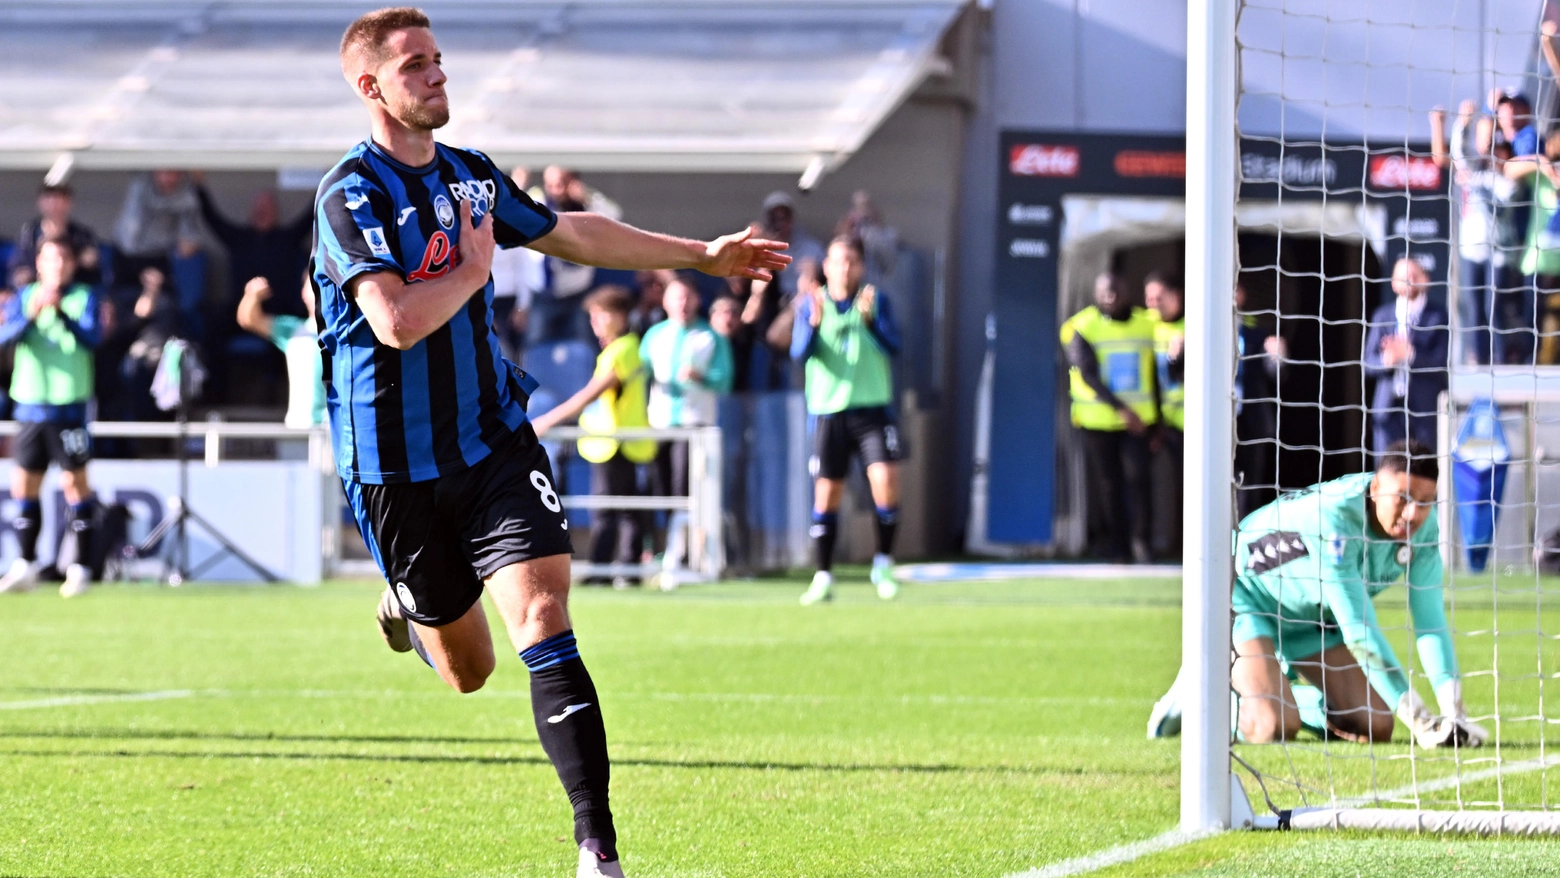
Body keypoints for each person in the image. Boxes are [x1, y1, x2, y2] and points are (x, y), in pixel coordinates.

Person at [317, 12, 787, 876]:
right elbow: (394, 321)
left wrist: (699, 258)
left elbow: (575, 232)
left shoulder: (471, 179)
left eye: (439, 60)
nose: (437, 76)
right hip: (392, 468)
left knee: (544, 618)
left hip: (493, 440)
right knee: (468, 672)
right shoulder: (350, 194)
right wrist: (470, 270)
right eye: (415, 65)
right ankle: (409, 610)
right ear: (371, 86)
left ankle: (596, 850)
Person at [1147, 442, 1488, 750]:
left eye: (1425, 502)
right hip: (1244, 598)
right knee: (1273, 726)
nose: (1413, 513)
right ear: (1375, 487)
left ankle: (1281, 691)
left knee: (1376, 724)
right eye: (1403, 498)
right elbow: (1359, 632)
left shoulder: (1425, 530)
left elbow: (1430, 622)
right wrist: (1420, 720)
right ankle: (1201, 698)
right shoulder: (1335, 520)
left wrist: (1453, 711)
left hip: (1311, 617)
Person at [791, 235, 903, 605]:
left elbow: (894, 346)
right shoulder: (813, 303)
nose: (845, 268)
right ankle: (823, 575)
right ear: (826, 266)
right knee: (828, 494)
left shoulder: (874, 300)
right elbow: (798, 353)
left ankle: (883, 564)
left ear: (861, 266)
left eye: (852, 261)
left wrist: (870, 323)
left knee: (885, 481)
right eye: (838, 261)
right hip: (828, 411)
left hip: (871, 409)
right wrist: (813, 323)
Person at [531, 287, 658, 586]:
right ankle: (617, 570)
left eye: (602, 315)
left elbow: (590, 395)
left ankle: (613, 571)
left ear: (621, 316)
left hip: (617, 443)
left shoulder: (624, 349)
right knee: (619, 508)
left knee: (616, 509)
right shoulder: (616, 349)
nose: (596, 322)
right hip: (610, 443)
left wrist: (546, 421)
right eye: (593, 316)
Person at [0, 240, 101, 598]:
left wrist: (59, 314)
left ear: (71, 264)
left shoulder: (83, 297)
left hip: (68, 404)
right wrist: (32, 315)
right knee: (24, 485)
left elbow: (92, 338)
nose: (56, 265)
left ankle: (81, 567)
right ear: (40, 264)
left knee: (75, 484)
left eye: (63, 257)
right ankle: (25, 563)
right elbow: (4, 337)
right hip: (30, 404)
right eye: (49, 258)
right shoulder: (24, 297)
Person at [1060, 273, 1159, 564]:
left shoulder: (1146, 323)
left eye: (1116, 291)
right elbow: (1088, 374)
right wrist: (1121, 410)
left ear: (1127, 292)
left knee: (1139, 479)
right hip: (1099, 421)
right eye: (1105, 292)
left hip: (1140, 422)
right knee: (1109, 485)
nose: (1111, 297)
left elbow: (1157, 371)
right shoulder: (1080, 326)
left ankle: (1143, 541)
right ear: (1095, 293)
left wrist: (1156, 421)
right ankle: (1119, 547)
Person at [640, 278, 732, 587]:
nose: (682, 303)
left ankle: (684, 558)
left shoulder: (709, 336)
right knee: (660, 489)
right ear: (665, 301)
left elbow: (724, 378)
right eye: (676, 297)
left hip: (695, 426)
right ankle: (664, 553)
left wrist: (702, 376)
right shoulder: (654, 335)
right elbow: (640, 372)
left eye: (688, 296)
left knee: (686, 492)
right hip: (660, 424)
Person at [1431, 101, 1520, 365]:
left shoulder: (1509, 180)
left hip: (1499, 254)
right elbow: (1459, 156)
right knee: (1472, 308)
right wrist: (1462, 124)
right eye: (1494, 150)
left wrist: (1472, 179)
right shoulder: (1475, 170)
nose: (1495, 156)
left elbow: (1500, 196)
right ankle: (1478, 361)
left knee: (1494, 310)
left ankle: (1500, 362)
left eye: (1501, 151)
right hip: (1472, 250)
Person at [1364, 258, 1449, 454]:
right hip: (1387, 411)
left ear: (1426, 280)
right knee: (1388, 471)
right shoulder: (1382, 316)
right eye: (1403, 277)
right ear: (1393, 283)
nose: (1409, 280)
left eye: (1414, 275)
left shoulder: (1438, 316)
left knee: (1423, 471)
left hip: (1424, 413)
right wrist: (1388, 360)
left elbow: (1441, 365)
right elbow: (1367, 363)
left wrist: (1409, 354)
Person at [235, 274, 325, 429]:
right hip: (299, 426)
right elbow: (249, 320)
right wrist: (252, 296)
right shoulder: (293, 329)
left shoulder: (347, 332)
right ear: (303, 293)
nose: (321, 291)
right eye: (314, 285)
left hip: (333, 429)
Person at [1233, 279, 1285, 520]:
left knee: (1250, 482)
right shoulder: (1202, 331)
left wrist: (1278, 358)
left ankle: (1243, 538)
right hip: (1218, 420)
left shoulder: (1258, 330)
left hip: (1251, 419)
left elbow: (1278, 377)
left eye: (1236, 288)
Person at [1144, 271, 1184, 560]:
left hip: (1197, 428)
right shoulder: (1145, 329)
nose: (1154, 304)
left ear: (1176, 297)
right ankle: (1164, 543)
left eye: (1159, 298)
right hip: (1165, 426)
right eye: (1149, 299)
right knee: (1164, 489)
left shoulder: (1195, 325)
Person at [8, 183, 100, 290]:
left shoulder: (82, 236)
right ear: (40, 201)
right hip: (36, 293)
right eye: (49, 197)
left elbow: (95, 274)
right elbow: (17, 273)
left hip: (74, 293)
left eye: (59, 197)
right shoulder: (29, 234)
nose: (54, 203)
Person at [113, 169, 202, 277]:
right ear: (154, 173)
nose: (170, 178)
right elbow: (130, 232)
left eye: (176, 173)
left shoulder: (187, 197)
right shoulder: (141, 187)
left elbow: (188, 240)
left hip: (159, 256)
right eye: (165, 173)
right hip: (127, 254)